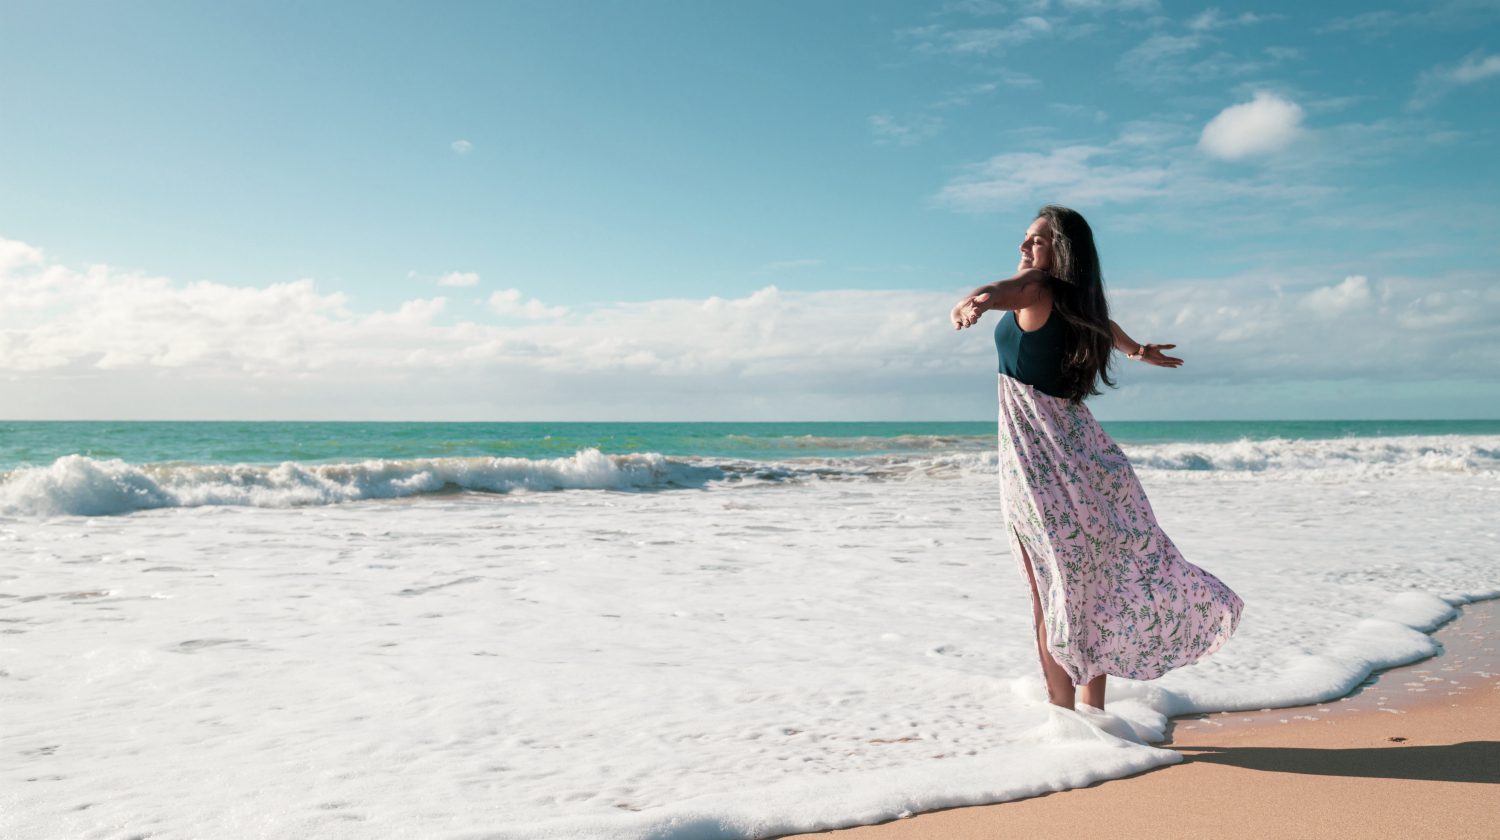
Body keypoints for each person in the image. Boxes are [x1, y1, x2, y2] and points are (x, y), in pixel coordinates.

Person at [950, 205, 1242, 713]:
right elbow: (1103, 325)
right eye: (1025, 239)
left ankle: (1066, 725)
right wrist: (1136, 351)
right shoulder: (1075, 305)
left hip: (1037, 461)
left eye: (1037, 241)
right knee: (1091, 585)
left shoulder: (1035, 289)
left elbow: (996, 291)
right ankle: (1094, 717)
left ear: (1062, 250)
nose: (1025, 248)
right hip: (1088, 457)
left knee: (1050, 589)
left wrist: (972, 303)